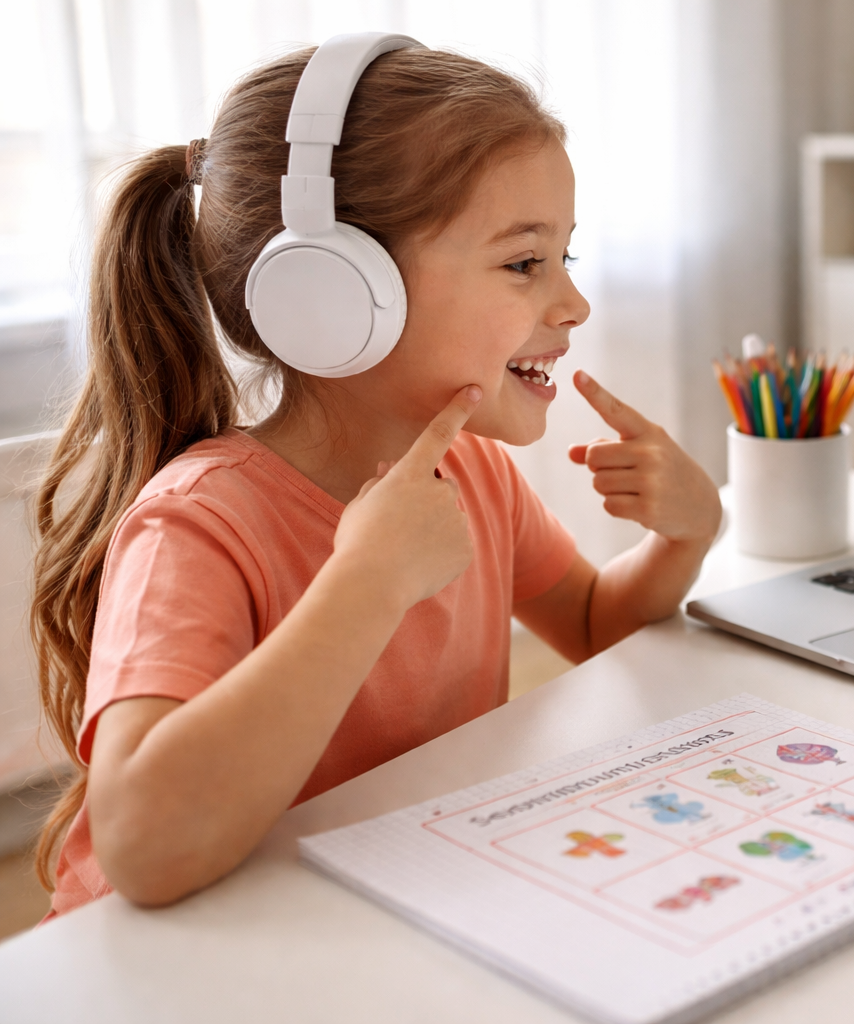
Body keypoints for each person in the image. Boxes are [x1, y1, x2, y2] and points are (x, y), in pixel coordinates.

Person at [30, 44, 721, 916]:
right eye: (522, 263)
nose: (573, 305)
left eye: (565, 260)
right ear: (335, 288)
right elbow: (144, 847)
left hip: (361, 920)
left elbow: (590, 621)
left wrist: (684, 536)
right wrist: (368, 583)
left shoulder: (471, 472)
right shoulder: (199, 524)